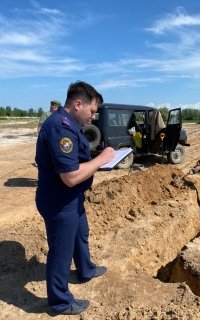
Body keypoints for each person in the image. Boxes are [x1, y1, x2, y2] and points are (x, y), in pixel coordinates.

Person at [35, 81, 115, 315]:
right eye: (91, 111)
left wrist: (99, 156)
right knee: (61, 250)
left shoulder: (71, 124)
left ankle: (85, 269)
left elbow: (78, 159)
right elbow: (70, 176)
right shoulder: (60, 128)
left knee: (81, 234)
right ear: (78, 104)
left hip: (72, 198)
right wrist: (102, 160)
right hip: (59, 201)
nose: (92, 117)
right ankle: (60, 301)